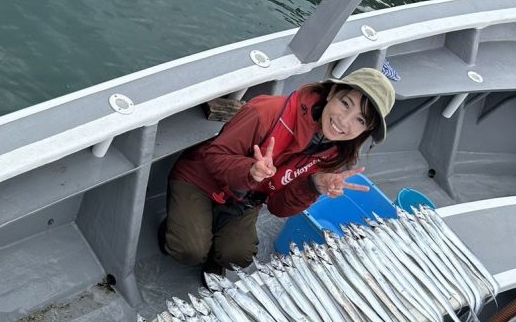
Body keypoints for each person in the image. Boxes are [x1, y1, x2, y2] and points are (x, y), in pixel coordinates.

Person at [160, 67, 396, 273]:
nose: (344, 122)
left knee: (238, 257)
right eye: (345, 104)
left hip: (245, 199)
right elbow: (214, 157)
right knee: (189, 250)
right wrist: (250, 170)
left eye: (361, 120)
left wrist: (312, 186)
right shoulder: (266, 112)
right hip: (202, 179)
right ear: (332, 93)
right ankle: (175, 228)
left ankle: (212, 248)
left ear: (366, 130)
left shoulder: (334, 156)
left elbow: (277, 207)